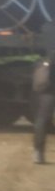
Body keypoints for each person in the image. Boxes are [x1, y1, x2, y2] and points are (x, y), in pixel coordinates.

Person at [33, 20, 55, 164]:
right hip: (51, 80)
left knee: (43, 117)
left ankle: (38, 152)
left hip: (49, 80)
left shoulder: (47, 27)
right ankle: (38, 152)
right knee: (43, 117)